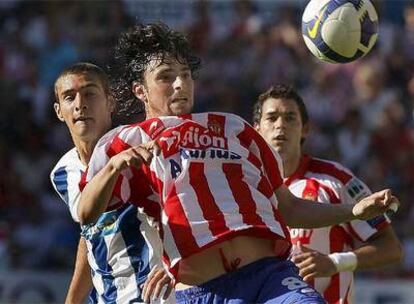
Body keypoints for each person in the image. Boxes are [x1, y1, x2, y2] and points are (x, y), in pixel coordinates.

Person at [78, 23, 399, 304]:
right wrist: (113, 167)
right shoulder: (124, 141)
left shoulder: (234, 127)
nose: (180, 84)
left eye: (186, 75)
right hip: (200, 291)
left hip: (269, 277)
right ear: (140, 91)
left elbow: (286, 206)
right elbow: (86, 213)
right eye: (166, 77)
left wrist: (350, 212)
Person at [253, 84, 403, 303]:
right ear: (256, 129)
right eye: (272, 117)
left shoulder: (336, 179)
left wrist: (334, 263)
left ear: (305, 129)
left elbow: (391, 248)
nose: (280, 125)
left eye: (290, 117)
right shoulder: (245, 185)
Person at [50, 62, 173, 304]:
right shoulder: (63, 171)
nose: (80, 104)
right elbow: (90, 232)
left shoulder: (139, 147)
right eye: (69, 97)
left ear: (111, 102)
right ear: (58, 111)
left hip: (155, 295)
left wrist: (180, 266)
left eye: (89, 93)